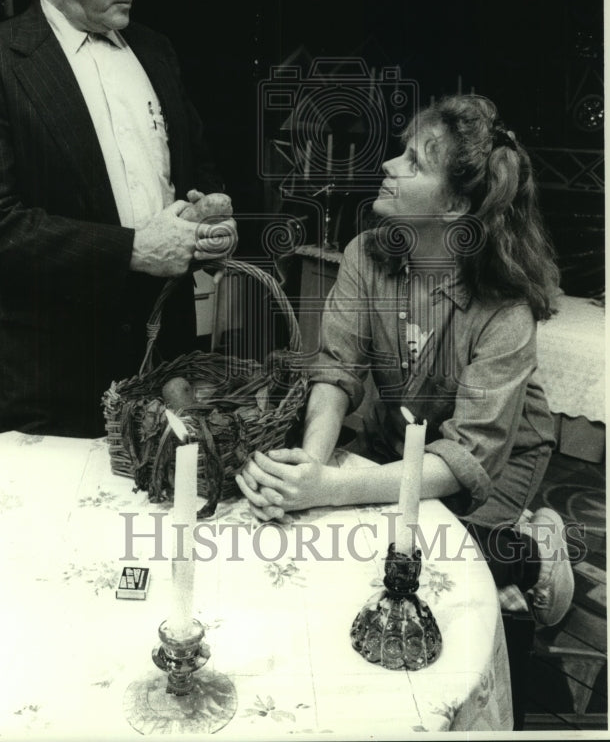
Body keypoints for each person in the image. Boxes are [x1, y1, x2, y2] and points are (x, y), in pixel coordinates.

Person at [237, 94, 574, 626]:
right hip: (396, 436)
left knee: (420, 565)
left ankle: (533, 555)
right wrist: (313, 469)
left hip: (497, 458)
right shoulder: (364, 254)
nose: (390, 165)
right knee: (349, 546)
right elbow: (336, 369)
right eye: (402, 152)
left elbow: (469, 453)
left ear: (455, 206)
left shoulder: (508, 308)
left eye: (414, 162)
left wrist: (335, 488)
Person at [0, 0, 235, 439]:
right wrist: (133, 250)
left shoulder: (157, 52)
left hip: (168, 365)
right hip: (56, 381)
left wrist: (214, 225)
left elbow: (200, 175)